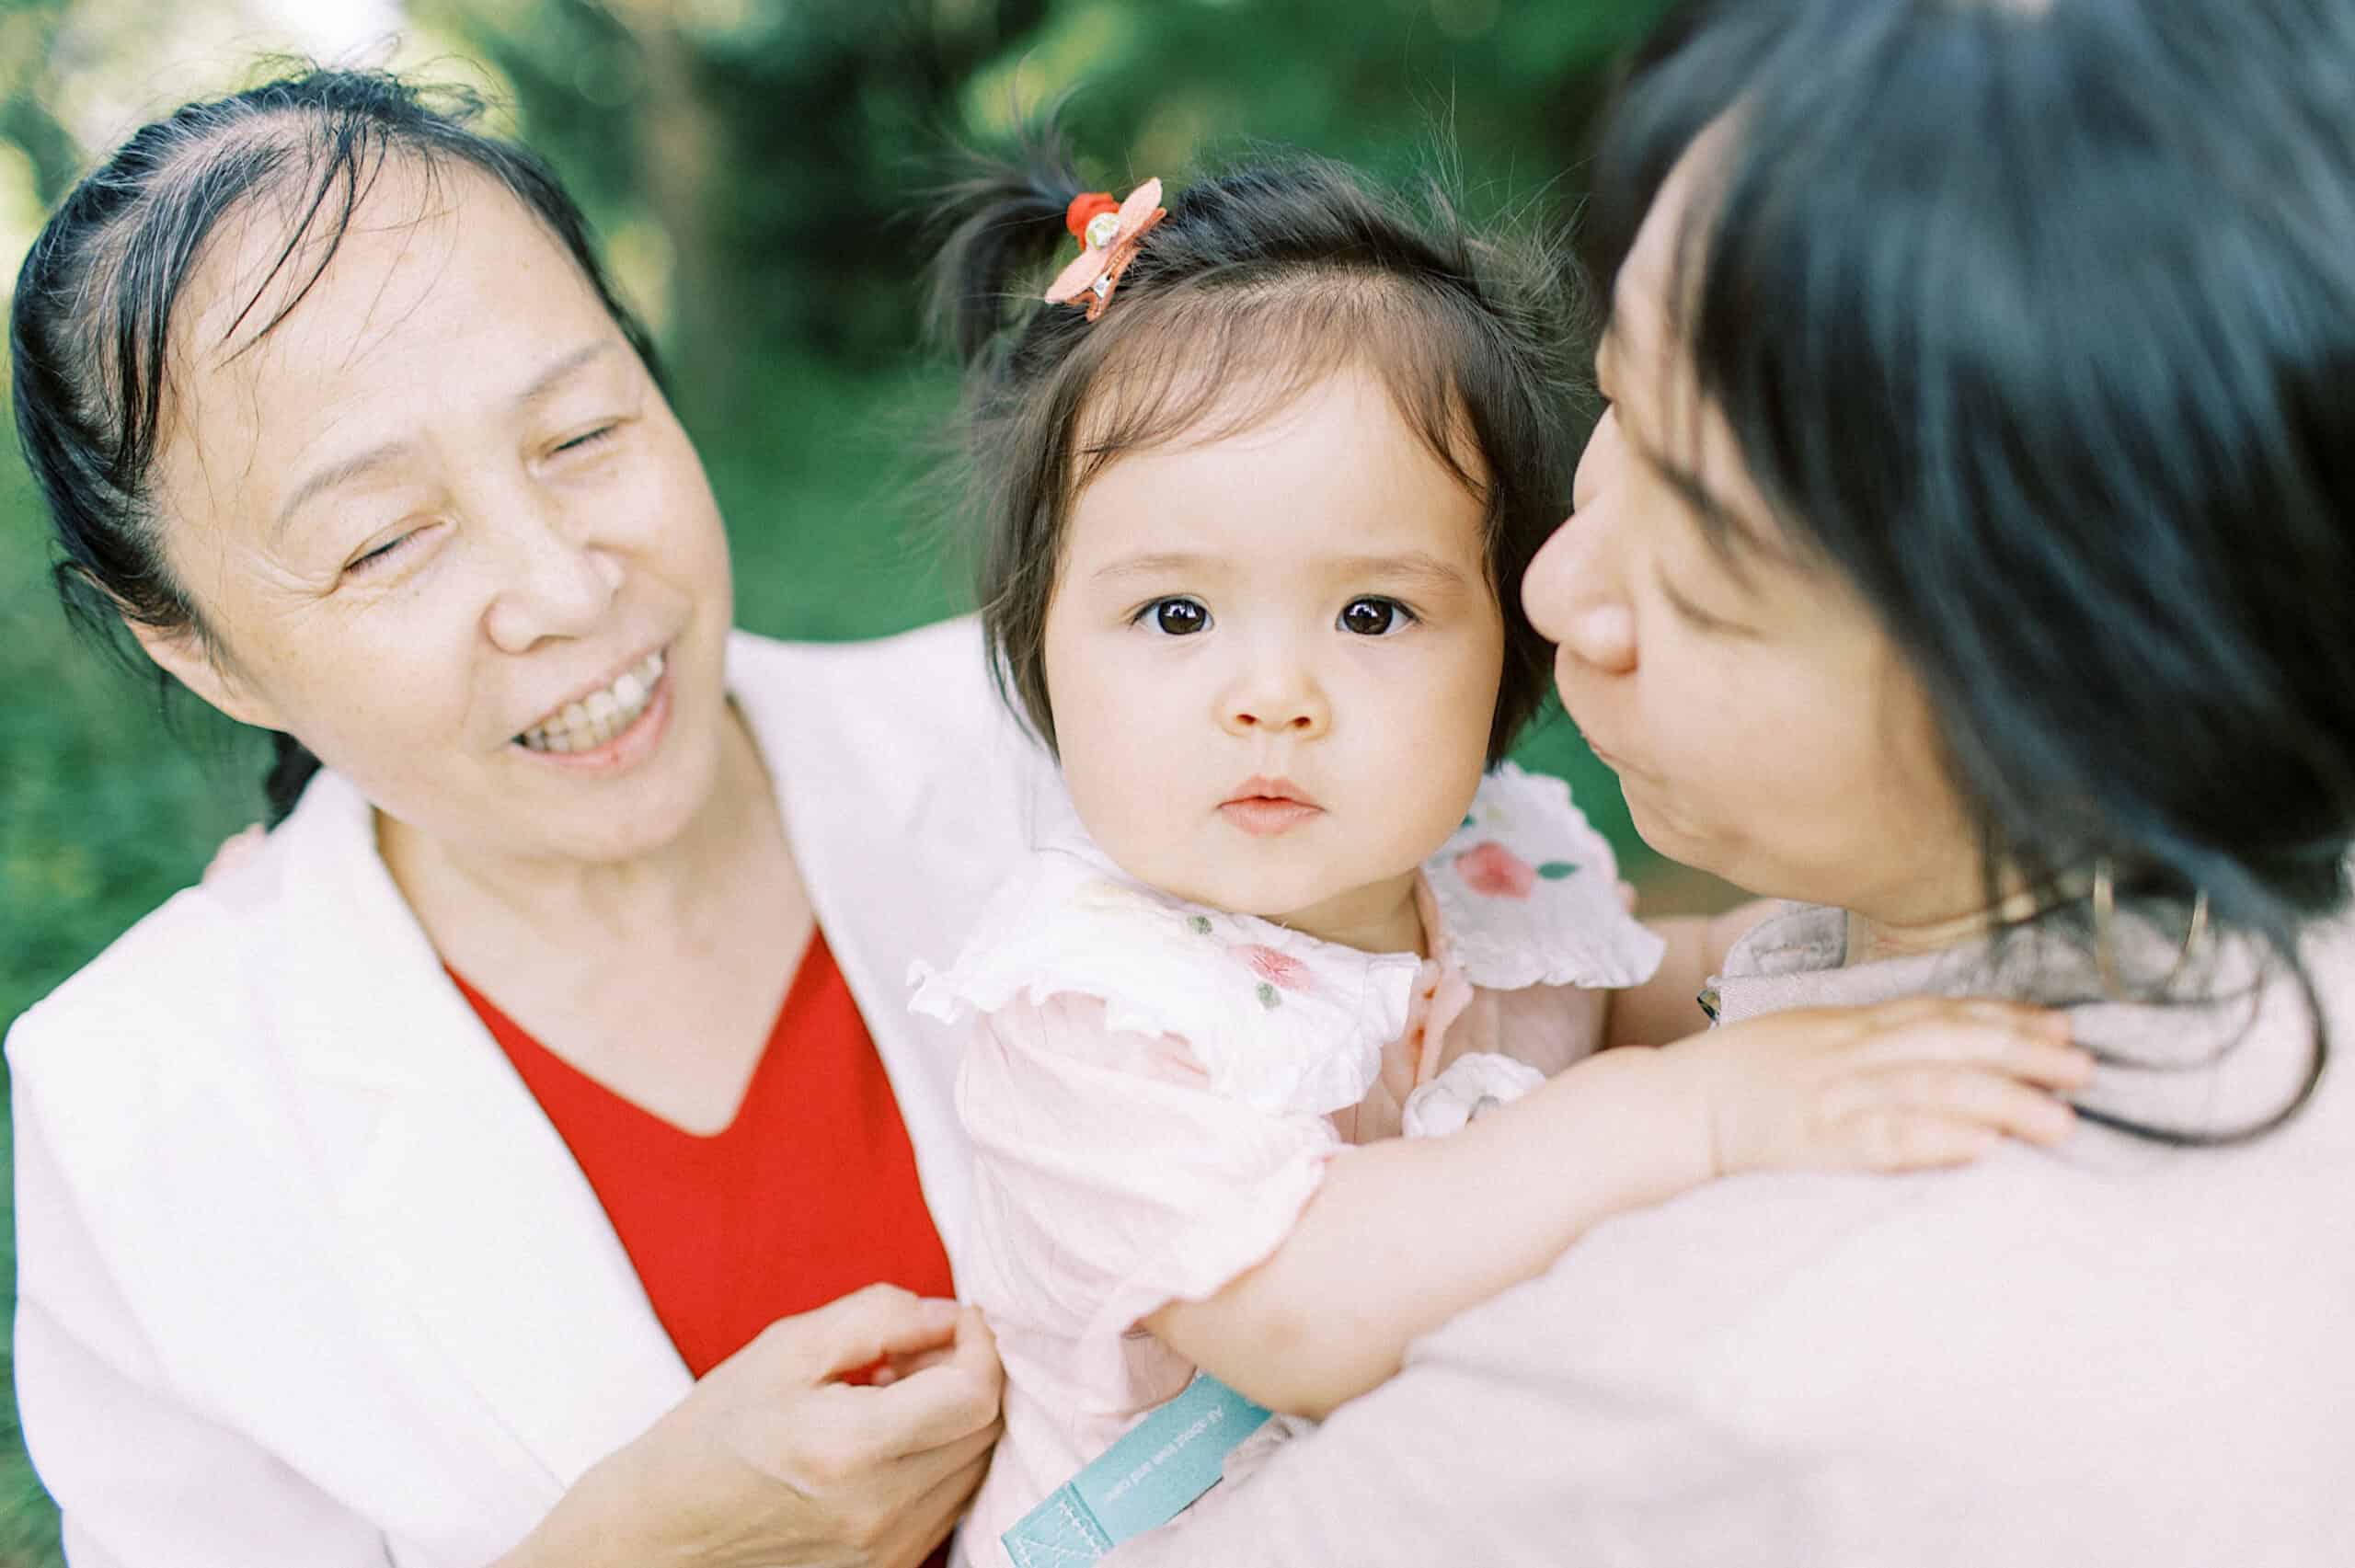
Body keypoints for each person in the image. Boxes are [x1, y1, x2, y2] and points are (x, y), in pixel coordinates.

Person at [1105, 1, 2355, 1563]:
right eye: (1620, 403)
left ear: (2076, 680)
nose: (1556, 594)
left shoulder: (1709, 1381)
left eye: (1704, 577)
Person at [910, 141, 2091, 1565]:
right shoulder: (1087, 1021)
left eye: (1371, 615)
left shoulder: (1490, 877)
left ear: (1504, 644)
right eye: (1175, 616)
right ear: (1036, 635)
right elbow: (1308, 1311)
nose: (1271, 694)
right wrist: (1693, 1115)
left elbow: (1686, 981)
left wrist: (1913, 961)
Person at [6, 70, 1050, 1567]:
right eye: (383, 544)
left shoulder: (1063, 739)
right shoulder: (144, 1111)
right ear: (203, 650)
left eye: (578, 435)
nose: (567, 588)